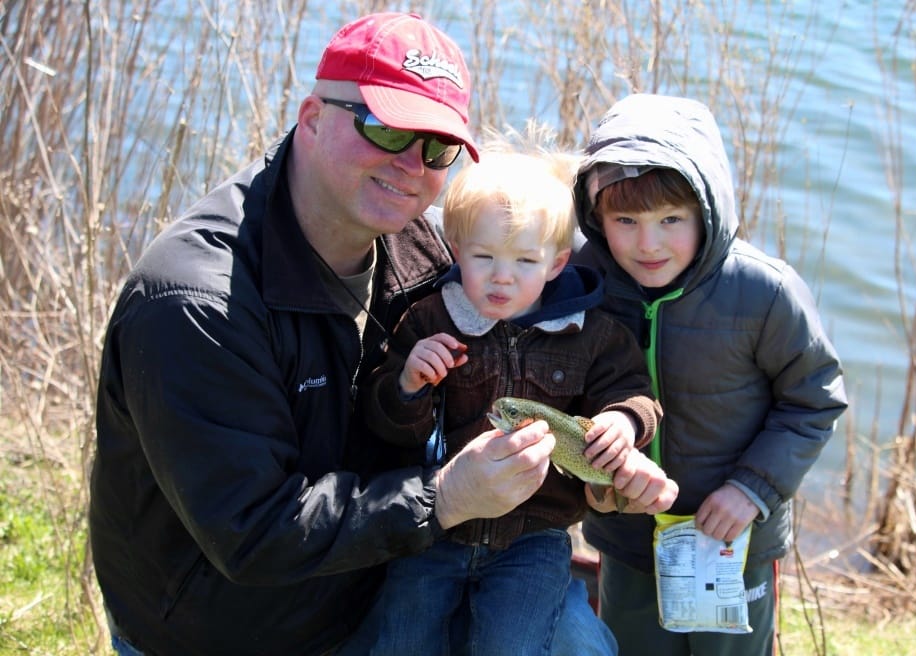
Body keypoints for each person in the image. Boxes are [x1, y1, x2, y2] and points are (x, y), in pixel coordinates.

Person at [87, 14, 676, 656]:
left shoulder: (426, 244)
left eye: (437, 147)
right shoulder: (196, 301)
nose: (410, 165)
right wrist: (446, 497)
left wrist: (601, 470)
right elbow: (254, 531)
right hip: (231, 628)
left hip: (388, 571)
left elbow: (531, 348)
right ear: (312, 117)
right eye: (385, 127)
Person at [360, 146, 669, 655]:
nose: (503, 277)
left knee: (514, 646)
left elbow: (632, 392)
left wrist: (623, 422)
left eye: (526, 260)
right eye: (485, 258)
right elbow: (388, 424)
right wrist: (408, 384)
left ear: (557, 264)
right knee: (401, 640)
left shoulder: (590, 335)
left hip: (535, 535)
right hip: (437, 525)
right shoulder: (430, 320)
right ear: (456, 250)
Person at [573, 93, 849, 656]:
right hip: (629, 540)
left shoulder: (764, 291)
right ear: (596, 216)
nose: (648, 243)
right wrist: (590, 480)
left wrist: (754, 488)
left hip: (735, 538)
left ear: (708, 209)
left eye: (671, 220)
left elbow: (814, 400)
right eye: (625, 220)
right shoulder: (581, 280)